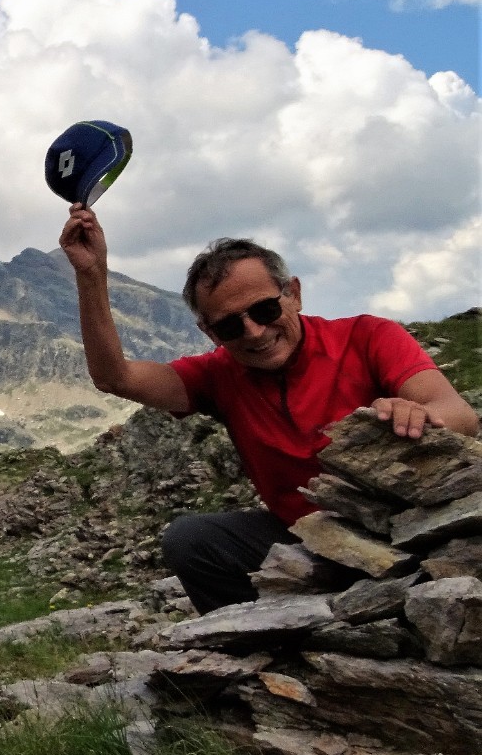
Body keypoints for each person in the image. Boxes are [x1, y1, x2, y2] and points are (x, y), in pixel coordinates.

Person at [59, 203, 479, 614]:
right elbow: (117, 378)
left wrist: (419, 414)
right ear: (208, 331)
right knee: (191, 540)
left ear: (292, 293)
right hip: (306, 540)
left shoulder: (368, 337)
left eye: (264, 309)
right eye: (229, 325)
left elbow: (460, 415)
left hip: (405, 532)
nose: (254, 332)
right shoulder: (216, 376)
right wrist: (91, 274)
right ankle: (262, 652)